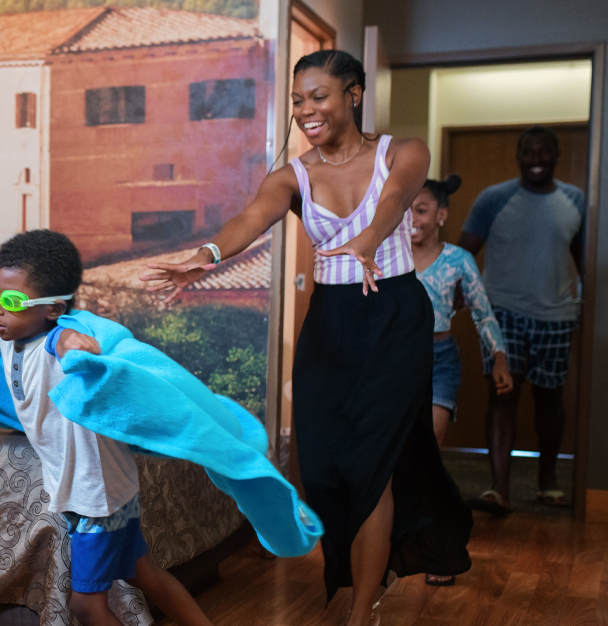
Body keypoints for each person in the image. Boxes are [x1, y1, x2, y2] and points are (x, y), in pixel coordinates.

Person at [140, 50, 472, 626]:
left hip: (394, 315)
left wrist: (369, 238)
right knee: (317, 466)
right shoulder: (293, 175)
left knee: (372, 464)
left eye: (318, 96)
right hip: (331, 322)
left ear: (354, 94)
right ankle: (351, 575)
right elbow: (250, 218)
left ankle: (359, 606)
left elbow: (395, 200)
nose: (306, 110)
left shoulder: (403, 151)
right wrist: (208, 255)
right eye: (297, 100)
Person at [0, 226, 215, 626]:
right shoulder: (6, 324)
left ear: (52, 308)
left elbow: (67, 338)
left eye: (11, 300)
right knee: (142, 572)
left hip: (96, 500)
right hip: (101, 490)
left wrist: (76, 345)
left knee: (87, 606)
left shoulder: (53, 340)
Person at [458, 126, 585, 513]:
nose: (535, 159)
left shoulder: (575, 199)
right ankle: (499, 489)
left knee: (550, 400)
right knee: (503, 397)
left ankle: (548, 482)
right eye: (528, 153)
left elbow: (585, 259)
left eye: (543, 152)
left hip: (556, 316)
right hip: (501, 315)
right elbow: (464, 254)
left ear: (555, 155)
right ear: (518, 157)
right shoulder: (493, 198)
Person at [409, 175, 514, 586]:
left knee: (429, 450)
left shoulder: (458, 261)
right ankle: (398, 540)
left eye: (420, 209)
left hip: (440, 360)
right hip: (398, 364)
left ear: (441, 215)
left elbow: (483, 313)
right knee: (397, 454)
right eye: (406, 210)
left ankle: (439, 545)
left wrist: (500, 360)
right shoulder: (389, 255)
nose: (411, 219)